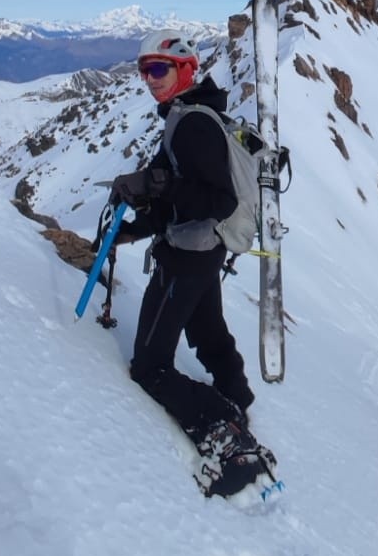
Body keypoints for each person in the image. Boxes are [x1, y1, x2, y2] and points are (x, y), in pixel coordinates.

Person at [108, 32, 266, 494]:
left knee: (150, 367)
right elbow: (174, 193)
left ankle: (222, 425)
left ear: (186, 69)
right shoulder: (187, 115)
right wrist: (137, 224)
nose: (149, 80)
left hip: (189, 254)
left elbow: (217, 199)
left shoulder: (193, 123)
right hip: (199, 248)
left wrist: (159, 186)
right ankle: (235, 393)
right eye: (144, 71)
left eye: (159, 69)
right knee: (206, 327)